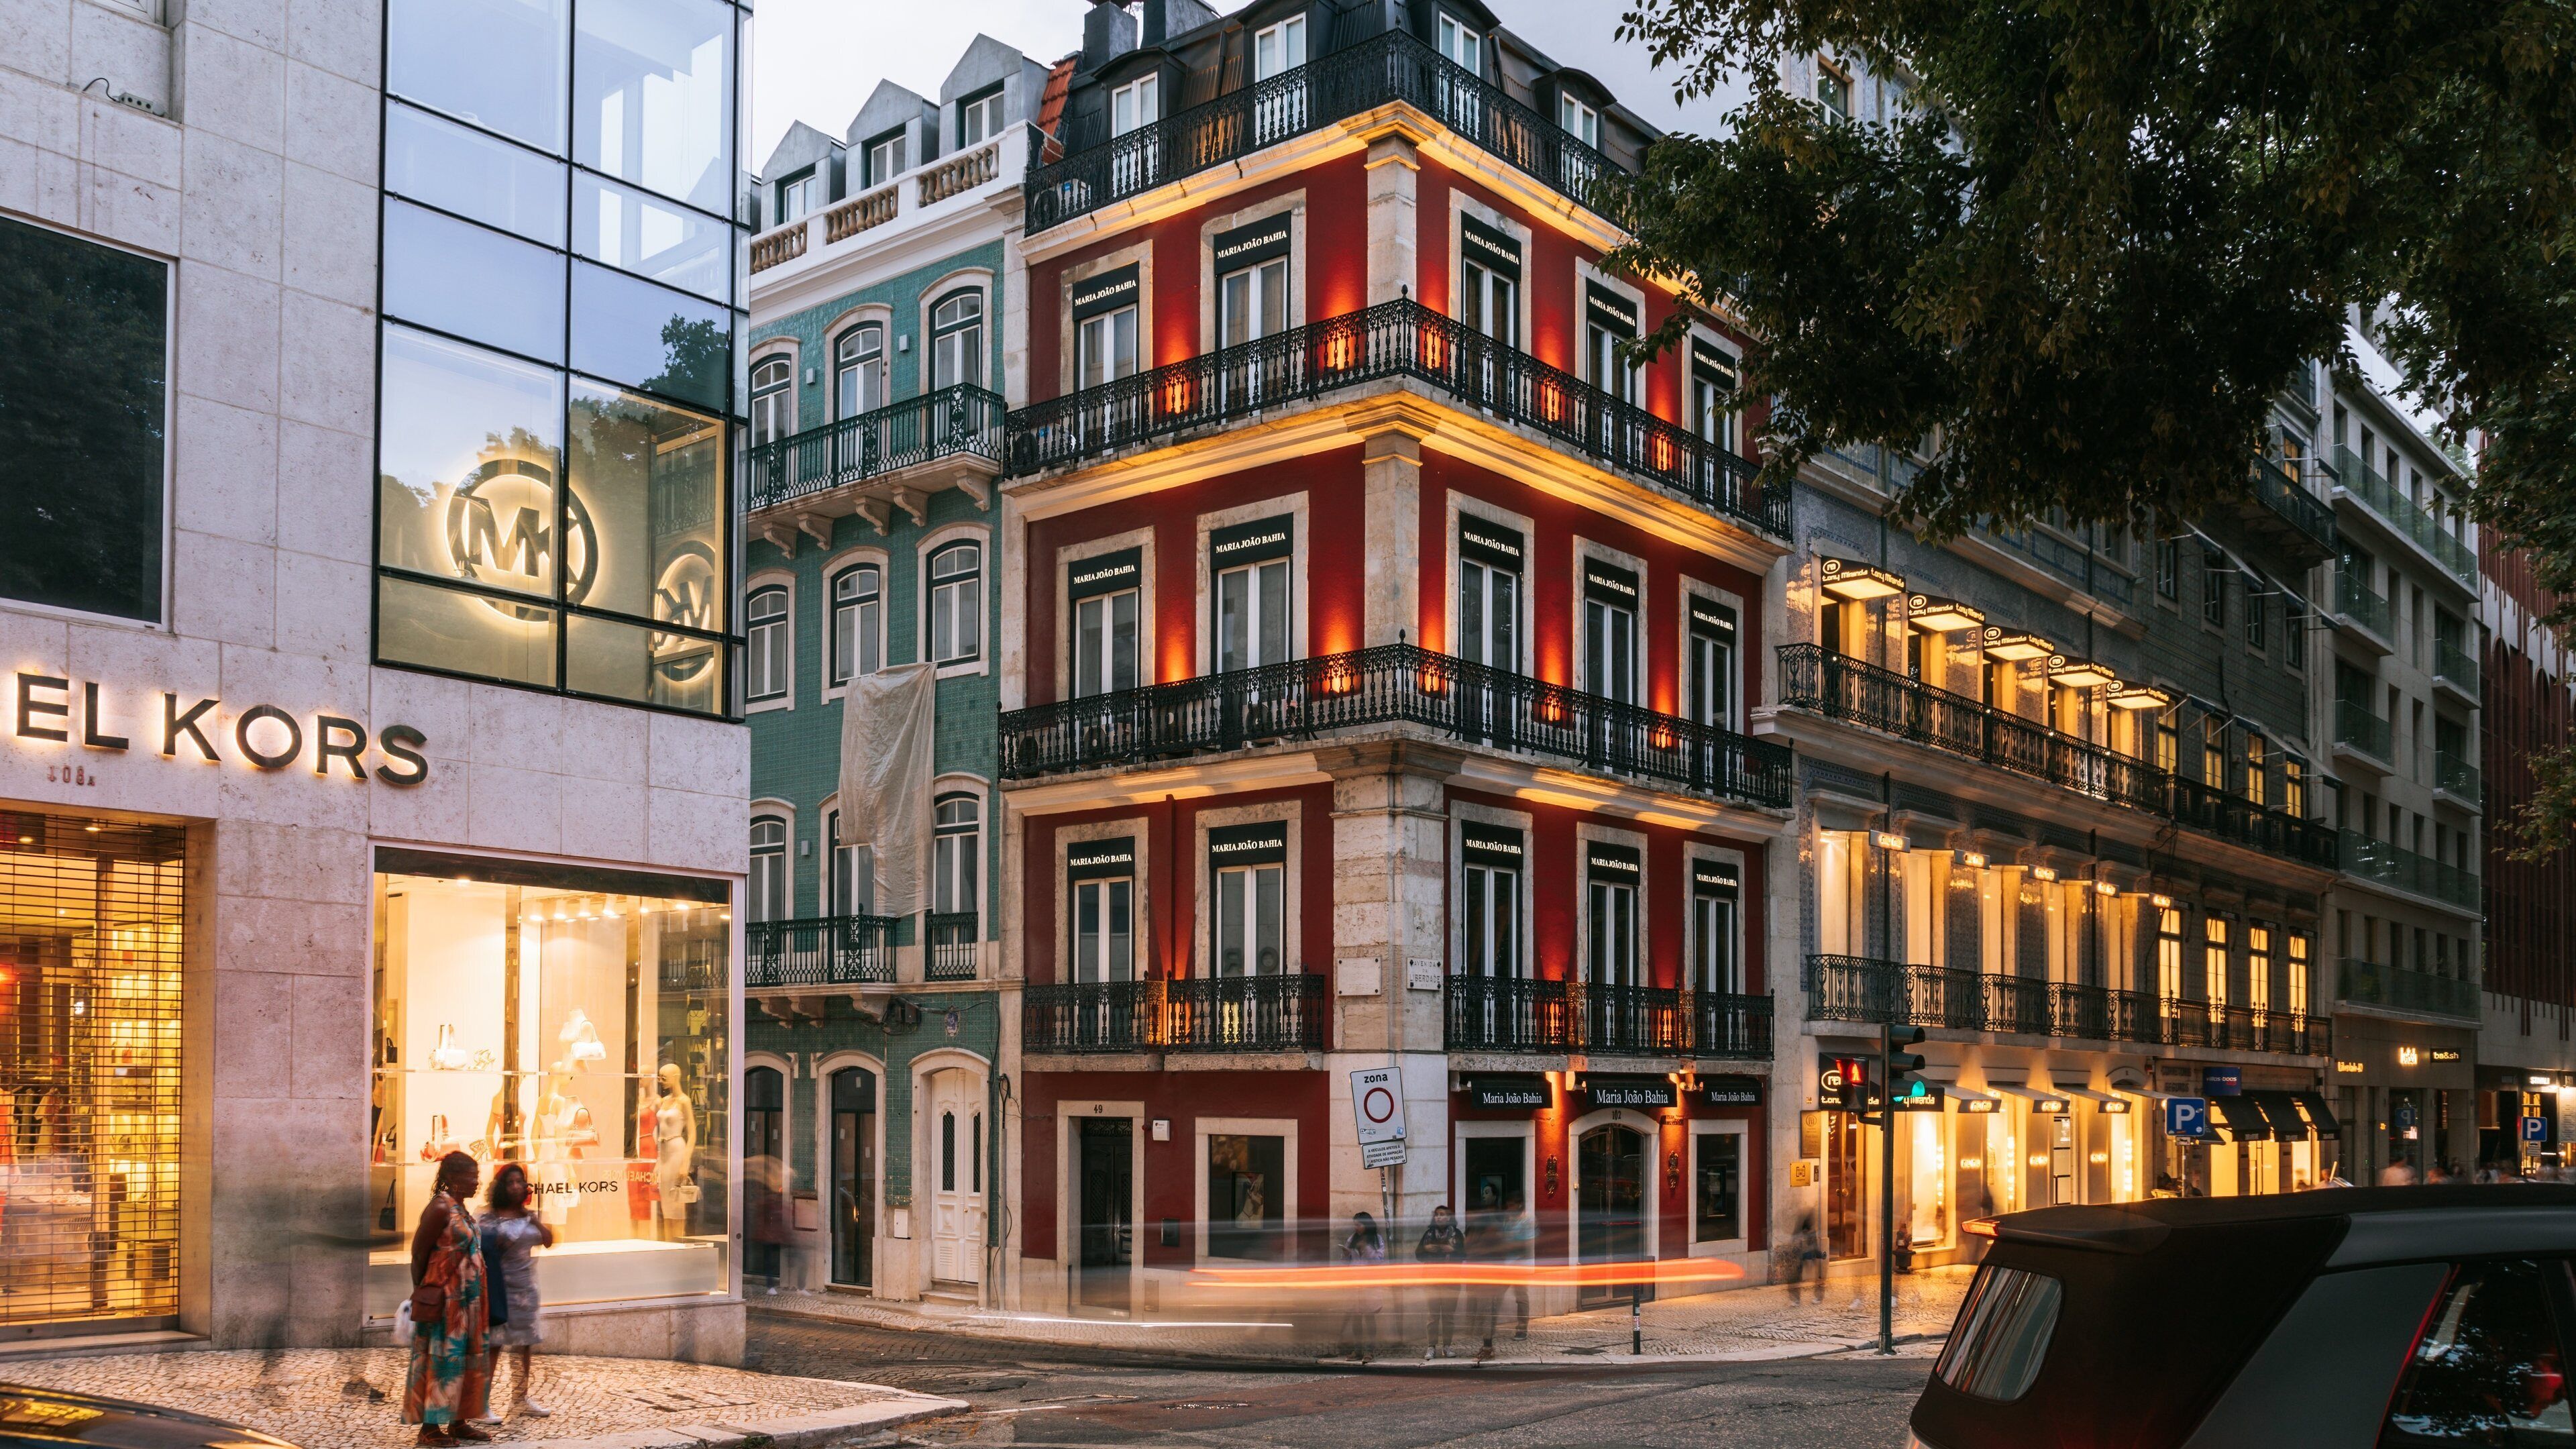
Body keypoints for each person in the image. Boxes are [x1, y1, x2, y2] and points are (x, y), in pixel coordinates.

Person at [403, 1151, 492, 1444]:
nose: (476, 1182)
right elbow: (419, 1252)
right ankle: (429, 1429)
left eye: (477, 1177)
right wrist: (425, 1290)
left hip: (469, 1302)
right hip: (447, 1302)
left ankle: (458, 1421)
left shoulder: (462, 1208)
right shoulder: (440, 1207)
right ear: (452, 1177)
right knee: (440, 1362)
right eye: (471, 1176)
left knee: (465, 1360)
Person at [481, 1163, 555, 1421]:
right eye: (510, 1182)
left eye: (519, 1182)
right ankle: (482, 1402)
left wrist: (532, 1217)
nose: (515, 1186)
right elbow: (483, 1248)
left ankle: (520, 1398)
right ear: (502, 1186)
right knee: (494, 1345)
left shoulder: (528, 1216)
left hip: (526, 1288)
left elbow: (548, 1240)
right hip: (499, 1288)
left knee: (524, 1345)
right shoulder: (488, 1217)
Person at [1416, 1205, 1467, 1359]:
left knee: (1448, 1316)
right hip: (1432, 1280)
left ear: (1449, 1217)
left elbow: (1464, 1254)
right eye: (1437, 1215)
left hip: (1451, 1280)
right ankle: (1431, 1347)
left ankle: (1447, 1346)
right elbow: (1418, 1255)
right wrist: (1427, 1249)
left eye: (1442, 1214)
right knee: (1433, 1316)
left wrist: (1453, 1251)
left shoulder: (1457, 1235)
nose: (1439, 1217)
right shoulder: (1429, 1234)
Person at [1337, 1212, 1387, 1362]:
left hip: (1370, 1283)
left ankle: (1370, 1351)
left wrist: (1366, 1248)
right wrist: (1345, 1255)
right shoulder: (1352, 1239)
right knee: (1356, 1318)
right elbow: (1345, 1262)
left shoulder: (1377, 1240)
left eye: (1359, 1224)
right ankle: (1357, 1350)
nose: (1356, 1227)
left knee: (1369, 1317)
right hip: (1355, 1282)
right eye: (1355, 1225)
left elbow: (1378, 1260)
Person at [1782, 1212, 1825, 1304]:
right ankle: (1797, 1299)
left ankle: (1817, 1297)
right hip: (1801, 1257)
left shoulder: (1809, 1233)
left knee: (1817, 1277)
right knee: (1795, 1278)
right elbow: (1794, 1245)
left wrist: (1813, 1258)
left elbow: (1814, 1246)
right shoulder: (1800, 1233)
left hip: (1808, 1255)